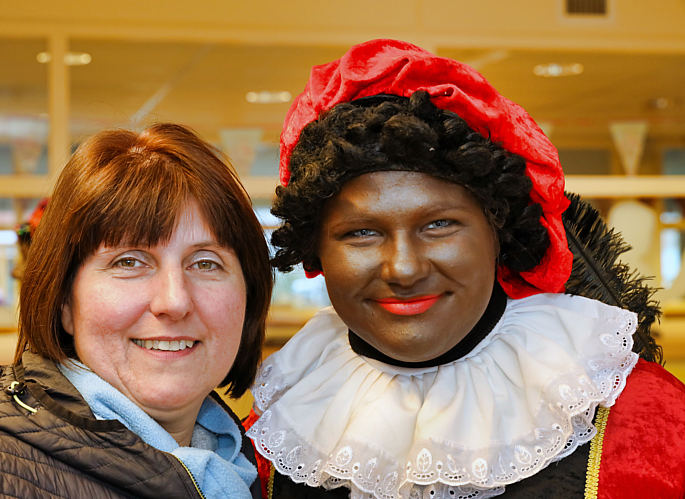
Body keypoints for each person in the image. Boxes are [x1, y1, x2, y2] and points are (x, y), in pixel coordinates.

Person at [244, 39, 685, 498]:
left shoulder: (649, 422)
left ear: (498, 232)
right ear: (316, 251)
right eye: (362, 233)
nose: (404, 269)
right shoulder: (276, 428)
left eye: (439, 225)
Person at [0, 123, 271, 498]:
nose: (175, 301)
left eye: (206, 263)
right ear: (64, 300)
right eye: (129, 262)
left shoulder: (258, 463)